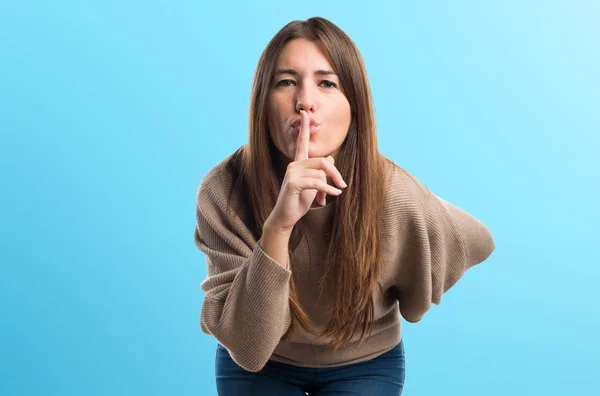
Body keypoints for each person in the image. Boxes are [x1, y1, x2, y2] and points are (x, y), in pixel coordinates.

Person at [194, 16, 495, 396]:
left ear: (354, 107)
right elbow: (250, 350)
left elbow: (479, 239)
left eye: (327, 83)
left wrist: (417, 283)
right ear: (261, 101)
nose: (305, 102)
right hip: (259, 364)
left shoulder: (394, 193)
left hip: (365, 363)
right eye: (286, 82)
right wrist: (279, 226)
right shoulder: (224, 189)